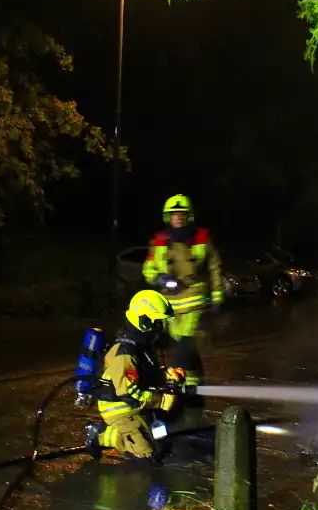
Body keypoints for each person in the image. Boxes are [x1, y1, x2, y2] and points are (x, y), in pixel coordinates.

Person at [84, 289, 186, 462]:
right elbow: (129, 394)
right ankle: (100, 434)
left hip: (137, 405)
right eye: (157, 322)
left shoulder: (141, 346)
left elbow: (146, 373)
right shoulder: (124, 353)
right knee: (148, 455)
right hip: (120, 408)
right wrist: (162, 400)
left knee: (162, 441)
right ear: (144, 322)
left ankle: (144, 429)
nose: (160, 328)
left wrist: (168, 375)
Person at [141, 195, 222, 402]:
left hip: (195, 302)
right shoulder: (159, 241)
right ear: (168, 217)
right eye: (174, 214)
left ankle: (178, 392)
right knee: (183, 350)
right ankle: (195, 387)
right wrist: (159, 277)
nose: (178, 218)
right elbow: (148, 269)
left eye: (182, 214)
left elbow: (214, 267)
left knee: (184, 348)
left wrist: (217, 295)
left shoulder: (202, 237)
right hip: (169, 305)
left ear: (189, 216)